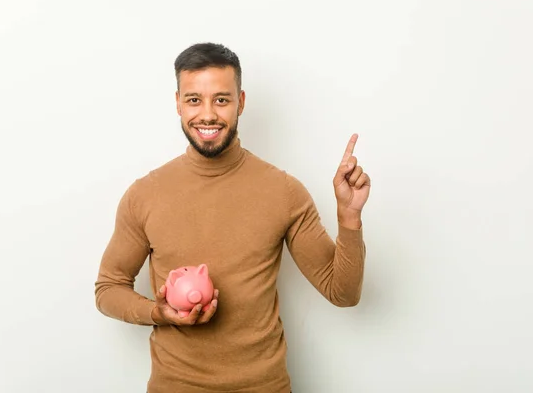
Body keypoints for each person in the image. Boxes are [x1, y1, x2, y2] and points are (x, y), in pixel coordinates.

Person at [94, 42, 371, 393]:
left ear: (240, 102)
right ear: (178, 103)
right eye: (194, 100)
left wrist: (349, 219)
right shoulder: (144, 194)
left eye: (221, 100)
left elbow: (342, 293)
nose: (207, 114)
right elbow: (108, 288)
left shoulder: (283, 191)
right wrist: (158, 313)